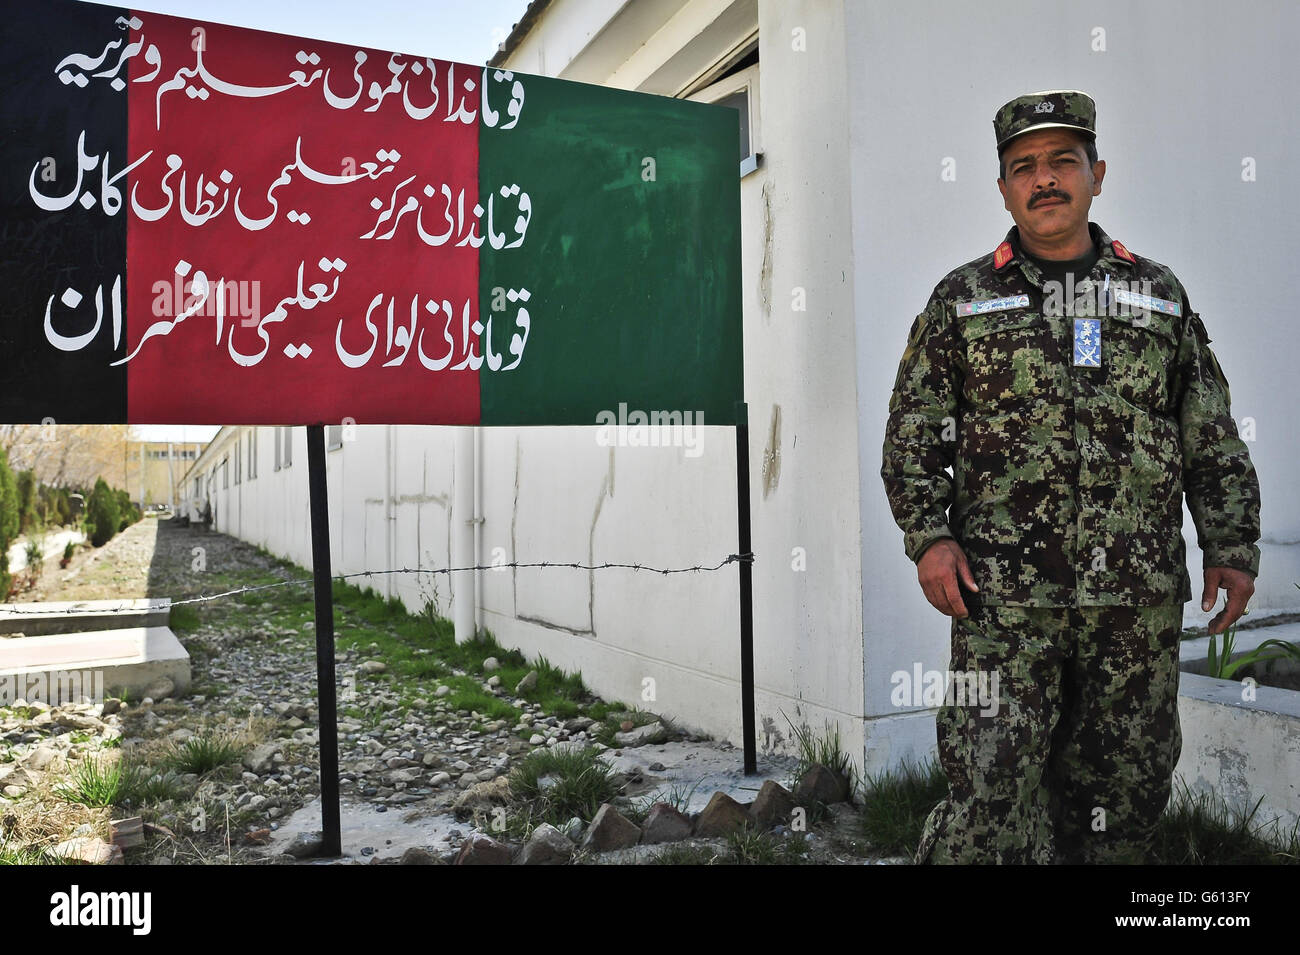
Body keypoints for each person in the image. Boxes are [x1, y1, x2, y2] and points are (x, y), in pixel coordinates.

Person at [880, 89, 1261, 864]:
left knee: (1124, 797)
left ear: (1098, 174)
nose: (1044, 178)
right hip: (1004, 606)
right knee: (988, 795)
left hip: (1135, 602)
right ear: (1002, 188)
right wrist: (928, 536)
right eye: (1024, 166)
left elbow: (1207, 428)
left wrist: (1231, 542)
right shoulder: (963, 299)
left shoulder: (1156, 295)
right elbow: (915, 432)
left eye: (1063, 161)